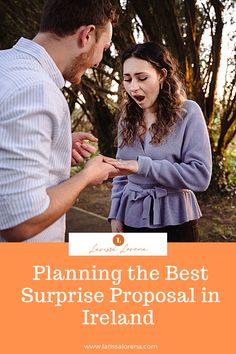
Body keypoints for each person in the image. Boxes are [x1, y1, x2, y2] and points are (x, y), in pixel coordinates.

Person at [0, 0, 118, 242]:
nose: (97, 62)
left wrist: (53, 142)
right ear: (87, 35)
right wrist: (85, 177)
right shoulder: (36, 90)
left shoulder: (6, 65)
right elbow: (20, 222)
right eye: (104, 49)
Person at [105, 42, 212, 242]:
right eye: (127, 79)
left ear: (162, 75)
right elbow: (121, 172)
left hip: (177, 223)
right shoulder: (127, 116)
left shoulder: (188, 113)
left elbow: (200, 176)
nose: (133, 87)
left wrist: (142, 166)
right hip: (131, 221)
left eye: (142, 78)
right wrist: (116, 213)